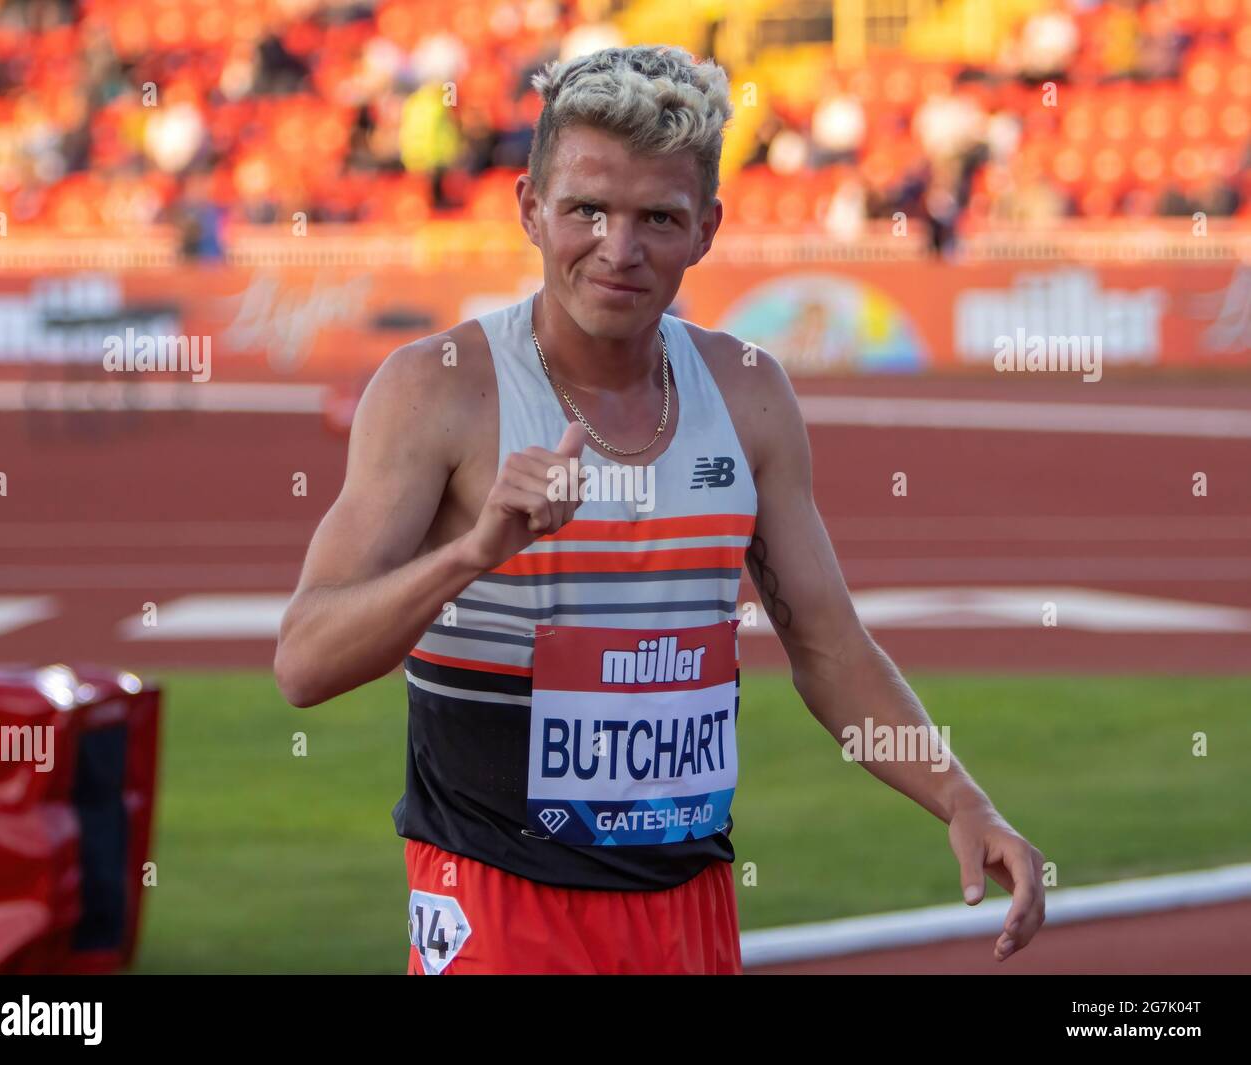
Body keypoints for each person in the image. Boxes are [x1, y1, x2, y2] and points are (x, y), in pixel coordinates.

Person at [275, 44, 1046, 975]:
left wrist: (962, 798)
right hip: (495, 905)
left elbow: (830, 645)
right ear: (530, 207)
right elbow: (305, 660)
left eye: (658, 218)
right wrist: (473, 552)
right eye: (587, 210)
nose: (619, 248)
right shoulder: (439, 390)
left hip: (690, 910)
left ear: (708, 228)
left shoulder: (748, 392)